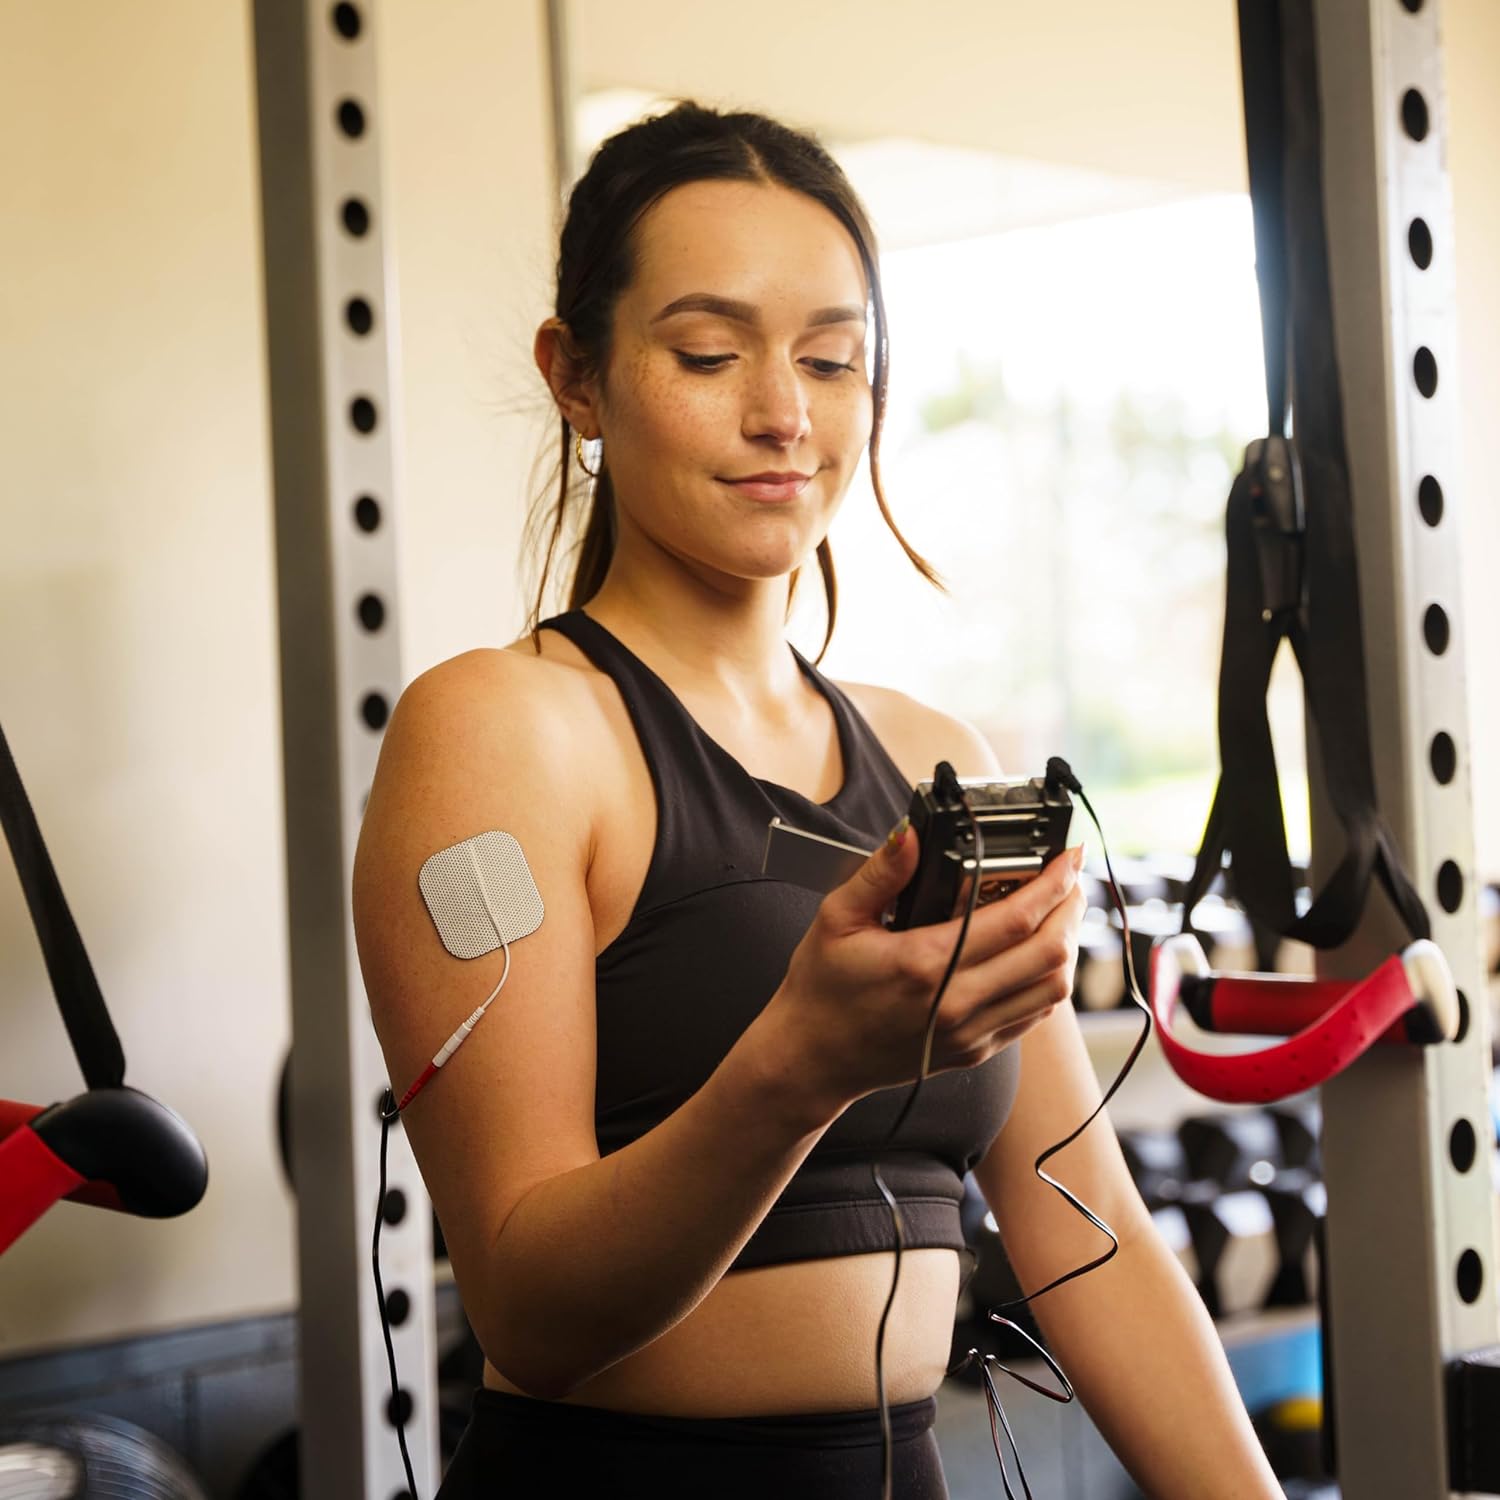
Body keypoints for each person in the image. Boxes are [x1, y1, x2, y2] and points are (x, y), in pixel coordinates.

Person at [352, 102, 1283, 1499]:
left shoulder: (930, 759)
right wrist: (801, 1063)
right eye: (710, 352)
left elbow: (1093, 1230)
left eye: (834, 358)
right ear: (579, 379)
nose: (784, 409)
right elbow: (530, 1314)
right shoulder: (502, 733)